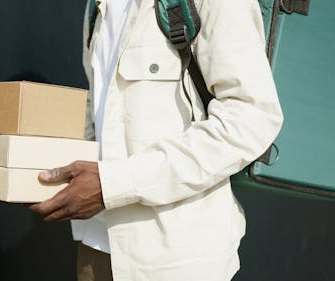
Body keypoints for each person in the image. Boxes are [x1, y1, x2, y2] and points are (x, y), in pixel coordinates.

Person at [27, 0, 283, 280]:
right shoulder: (97, 6)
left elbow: (251, 118)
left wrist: (112, 185)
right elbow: (98, 116)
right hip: (96, 250)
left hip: (175, 260)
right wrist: (22, 174)